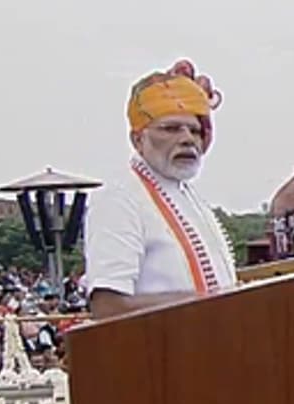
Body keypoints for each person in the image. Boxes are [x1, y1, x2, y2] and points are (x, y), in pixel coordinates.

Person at [84, 59, 238, 319]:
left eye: (194, 130)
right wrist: (217, 303)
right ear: (138, 139)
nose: (188, 139)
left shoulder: (187, 195)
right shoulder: (120, 198)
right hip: (160, 354)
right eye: (171, 129)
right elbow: (108, 307)